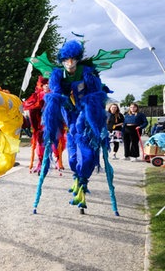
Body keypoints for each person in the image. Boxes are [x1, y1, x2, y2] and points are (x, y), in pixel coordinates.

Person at [41, 40, 110, 210]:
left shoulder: (86, 72)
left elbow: (95, 94)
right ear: (62, 60)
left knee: (85, 152)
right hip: (68, 113)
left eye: (73, 59)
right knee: (72, 155)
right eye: (66, 59)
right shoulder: (57, 74)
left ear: (78, 59)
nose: (70, 63)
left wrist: (94, 117)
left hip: (85, 113)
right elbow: (55, 94)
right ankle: (77, 176)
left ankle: (82, 180)